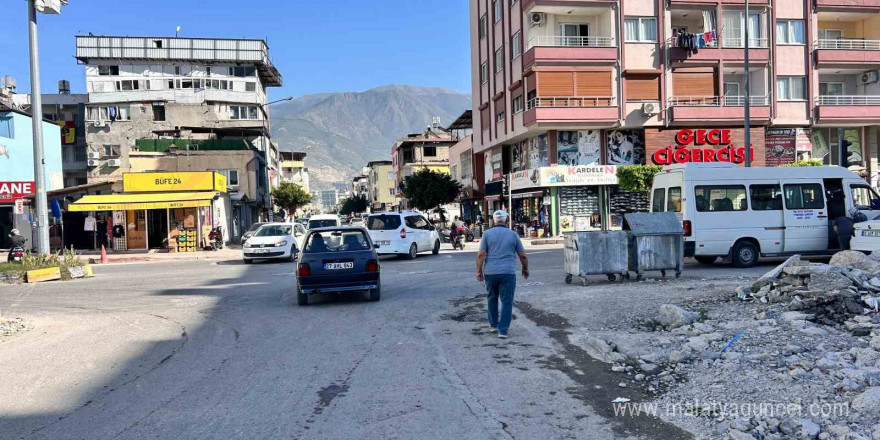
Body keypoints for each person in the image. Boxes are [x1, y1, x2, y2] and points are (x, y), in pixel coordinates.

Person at [476, 210, 529, 339]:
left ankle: (493, 325)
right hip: (508, 272)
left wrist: (479, 270)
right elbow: (522, 255)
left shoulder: (487, 234)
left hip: (490, 272)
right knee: (507, 301)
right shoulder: (513, 235)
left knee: (492, 298)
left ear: (494, 220)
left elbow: (481, 254)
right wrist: (525, 268)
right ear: (506, 220)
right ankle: (503, 330)